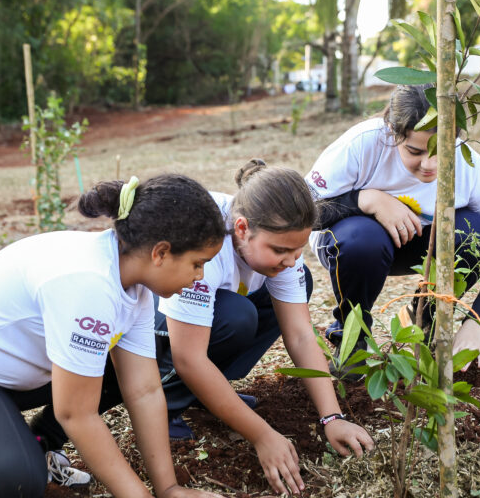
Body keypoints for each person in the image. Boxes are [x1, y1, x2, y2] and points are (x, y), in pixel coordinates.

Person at [0, 174, 227, 498]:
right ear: (160, 253)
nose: (200, 277)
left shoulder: (131, 285)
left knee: (119, 367)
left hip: (2, 379)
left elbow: (145, 390)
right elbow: (76, 413)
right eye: (198, 263)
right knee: (14, 483)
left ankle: (37, 443)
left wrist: (168, 489)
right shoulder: (88, 282)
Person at [154, 160, 374, 496]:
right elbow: (189, 357)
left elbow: (300, 334)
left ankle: (207, 394)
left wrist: (332, 417)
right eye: (280, 250)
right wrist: (262, 435)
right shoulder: (203, 245)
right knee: (236, 316)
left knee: (295, 286)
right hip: (152, 324)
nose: (290, 259)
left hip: (208, 318)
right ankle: (167, 404)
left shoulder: (277, 238)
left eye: (297, 250)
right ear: (241, 229)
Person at [306, 84, 480, 371]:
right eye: (415, 151)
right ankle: (352, 340)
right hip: (350, 243)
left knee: (478, 235)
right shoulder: (363, 144)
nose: (429, 164)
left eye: (441, 150)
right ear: (393, 133)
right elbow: (301, 213)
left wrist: (479, 322)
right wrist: (365, 199)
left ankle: (423, 315)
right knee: (363, 240)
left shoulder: (470, 167)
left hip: (418, 243)